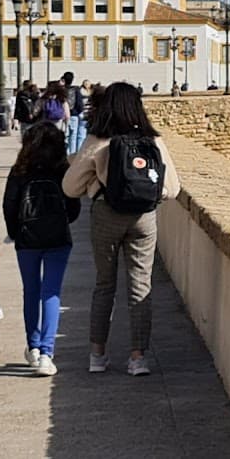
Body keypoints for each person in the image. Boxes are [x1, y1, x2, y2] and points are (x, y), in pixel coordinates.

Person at [64, 82, 180, 376]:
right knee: (141, 287)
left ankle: (97, 355)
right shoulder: (152, 140)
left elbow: (70, 187)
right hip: (143, 217)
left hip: (106, 214)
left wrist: (97, 183)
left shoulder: (98, 140)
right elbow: (173, 189)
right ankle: (138, 357)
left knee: (105, 285)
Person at [4, 123, 79, 377]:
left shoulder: (19, 170)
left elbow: (9, 205)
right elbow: (74, 206)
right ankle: (47, 352)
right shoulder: (61, 170)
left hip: (27, 239)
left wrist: (15, 232)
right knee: (51, 293)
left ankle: (33, 347)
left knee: (31, 291)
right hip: (57, 237)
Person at [62, 72, 88, 155]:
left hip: (62, 116)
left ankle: (65, 153)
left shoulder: (61, 89)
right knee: (73, 136)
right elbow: (80, 104)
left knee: (64, 136)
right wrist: (79, 111)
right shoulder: (76, 90)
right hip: (74, 115)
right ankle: (72, 155)